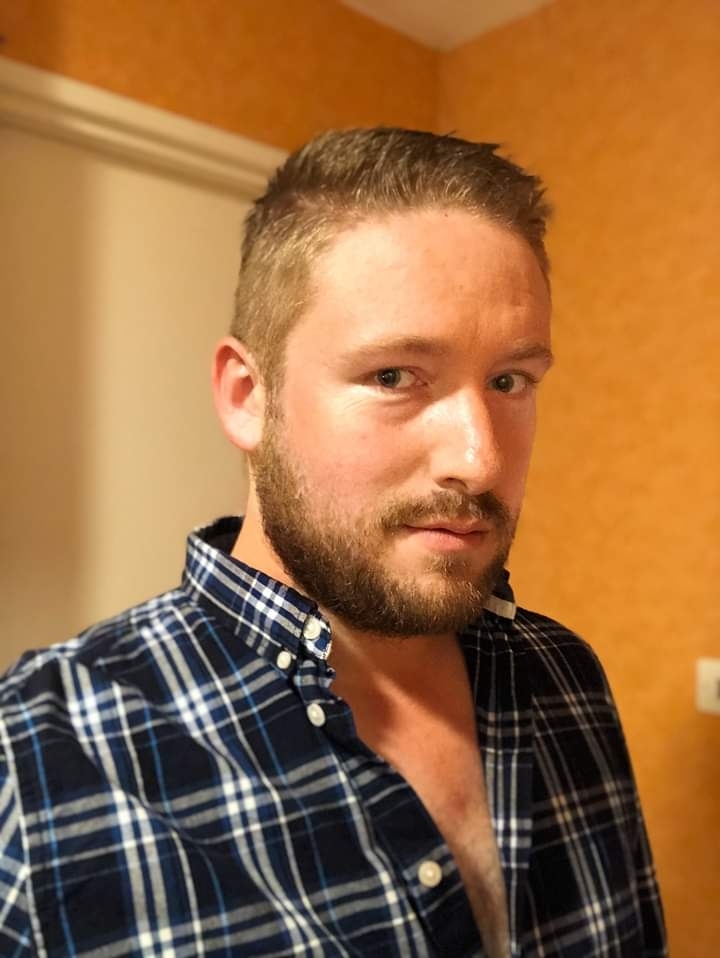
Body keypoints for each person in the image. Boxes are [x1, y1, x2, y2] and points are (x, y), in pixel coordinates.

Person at [0, 128, 666, 957]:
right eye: (393, 376)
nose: (481, 457)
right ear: (248, 396)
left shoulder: (564, 676)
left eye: (509, 381)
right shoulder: (35, 763)